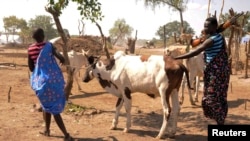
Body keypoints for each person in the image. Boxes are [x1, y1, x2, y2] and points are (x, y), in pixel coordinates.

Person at [174, 17, 230, 125]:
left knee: (211, 99)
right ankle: (220, 120)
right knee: (220, 96)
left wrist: (176, 58)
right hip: (223, 71)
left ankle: (220, 121)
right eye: (204, 26)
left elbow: (196, 51)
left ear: (214, 27)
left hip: (215, 72)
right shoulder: (219, 36)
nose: (204, 28)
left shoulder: (211, 40)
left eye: (207, 26)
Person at [28, 28, 73, 140]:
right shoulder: (49, 46)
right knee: (54, 108)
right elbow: (61, 57)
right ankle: (66, 135)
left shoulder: (30, 49)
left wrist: (40, 67)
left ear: (33, 38)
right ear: (43, 35)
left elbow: (31, 68)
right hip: (54, 81)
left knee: (46, 105)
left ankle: (47, 130)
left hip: (40, 83)